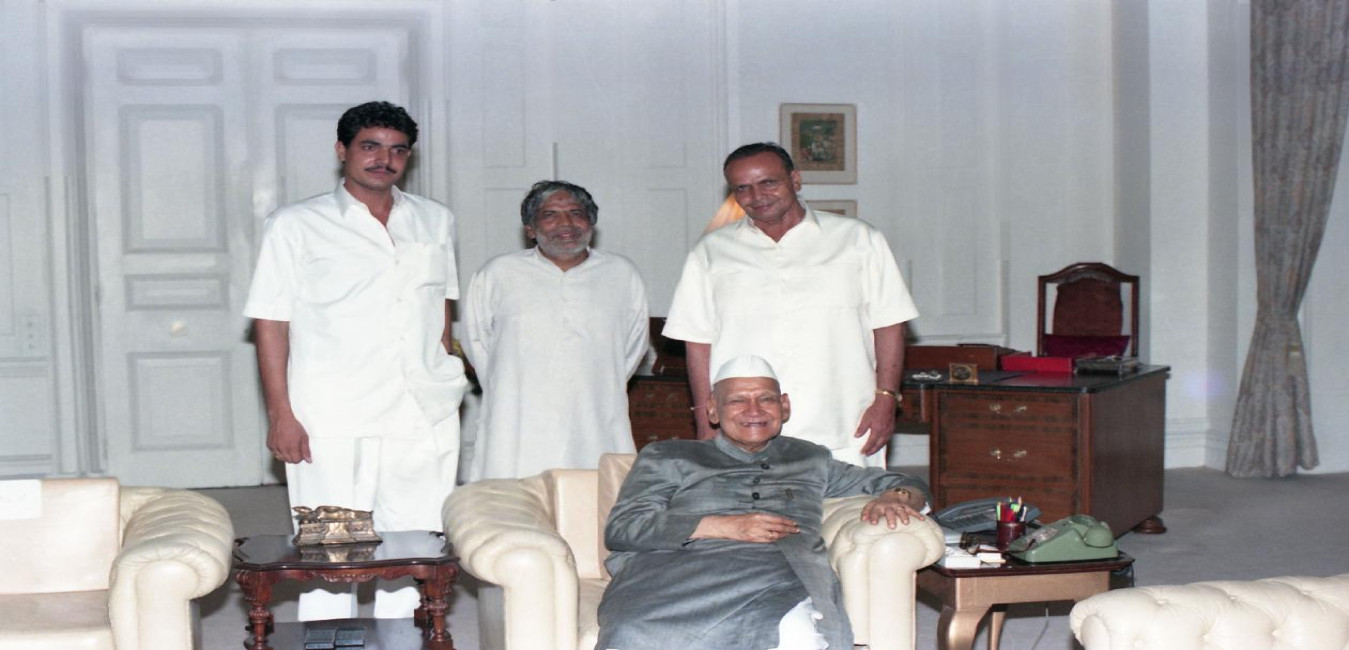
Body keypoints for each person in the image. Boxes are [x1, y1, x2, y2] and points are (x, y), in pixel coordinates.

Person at [243, 101, 468, 620]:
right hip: (332, 411)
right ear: (342, 150)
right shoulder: (296, 224)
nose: (384, 160)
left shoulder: (435, 219)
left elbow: (441, 304)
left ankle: (403, 636)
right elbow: (271, 322)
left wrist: (444, 369)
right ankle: (330, 636)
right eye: (370, 147)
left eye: (397, 150)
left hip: (421, 407)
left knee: (415, 542)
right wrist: (281, 413)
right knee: (331, 548)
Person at [596, 355, 930, 650]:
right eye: (737, 401)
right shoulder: (669, 456)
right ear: (712, 409)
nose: (753, 411)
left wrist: (896, 497)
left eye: (766, 399)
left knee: (798, 638)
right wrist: (721, 526)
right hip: (672, 573)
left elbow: (904, 483)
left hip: (778, 576)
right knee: (633, 632)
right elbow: (623, 528)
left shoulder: (808, 458)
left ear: (784, 406)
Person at [663, 142, 919, 466]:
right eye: (742, 188)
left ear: (795, 180)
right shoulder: (710, 252)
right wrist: (704, 416)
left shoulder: (858, 239)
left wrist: (886, 399)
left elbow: (889, 324)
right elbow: (698, 341)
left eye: (769, 182)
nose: (757, 195)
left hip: (846, 421)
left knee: (854, 499)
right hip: (747, 426)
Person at [461, 180, 649, 480]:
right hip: (517, 418)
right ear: (530, 229)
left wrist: (591, 383)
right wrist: (511, 386)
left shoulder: (621, 273)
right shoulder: (498, 274)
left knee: (594, 497)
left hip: (595, 414)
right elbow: (477, 344)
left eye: (576, 213)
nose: (566, 223)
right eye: (550, 214)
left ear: (591, 223)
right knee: (514, 497)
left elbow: (632, 347)